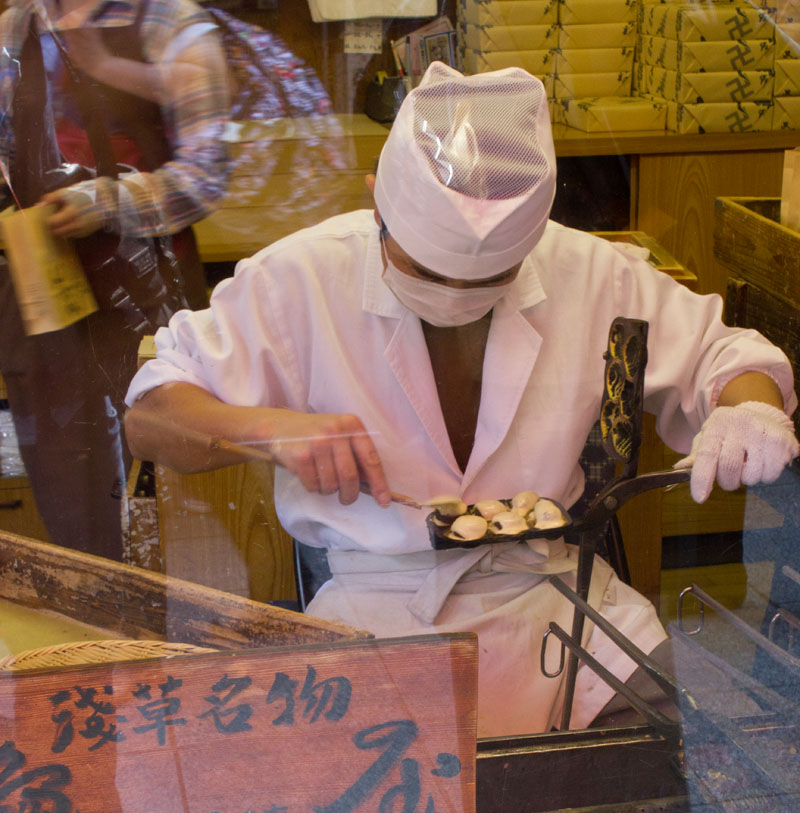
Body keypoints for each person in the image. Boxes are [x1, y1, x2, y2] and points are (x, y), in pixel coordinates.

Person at [123, 63, 799, 738]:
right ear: (376, 204)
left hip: (554, 595)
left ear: (532, 240)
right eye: (425, 270)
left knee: (659, 772)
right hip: (375, 600)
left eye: (488, 282)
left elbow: (725, 354)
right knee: (374, 802)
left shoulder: (585, 271)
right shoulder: (303, 277)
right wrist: (269, 432)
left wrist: (749, 407)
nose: (455, 298)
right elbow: (154, 413)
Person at [0, 0, 230, 560]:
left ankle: (178, 637)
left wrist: (105, 203)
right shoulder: (17, 26)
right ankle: (95, 641)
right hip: (44, 304)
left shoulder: (172, 23)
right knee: (74, 509)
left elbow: (207, 174)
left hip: (150, 303)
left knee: (175, 504)